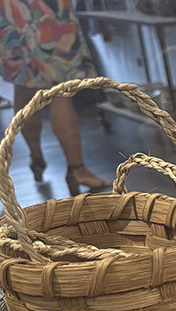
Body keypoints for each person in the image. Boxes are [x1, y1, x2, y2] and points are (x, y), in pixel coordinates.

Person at [0, 0, 110, 195]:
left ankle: (36, 158)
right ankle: (77, 169)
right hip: (48, 9)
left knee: (23, 83)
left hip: (9, 9)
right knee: (61, 89)